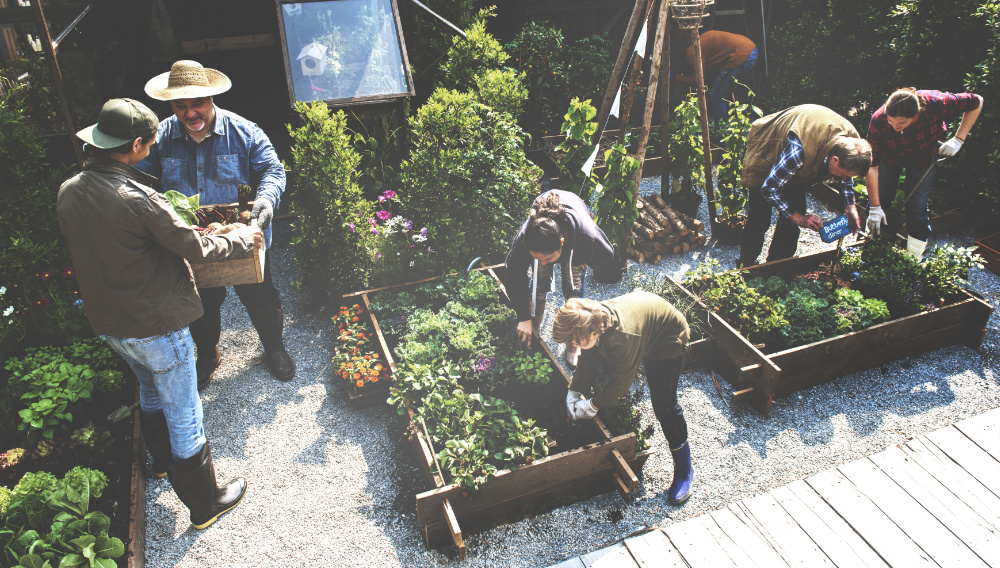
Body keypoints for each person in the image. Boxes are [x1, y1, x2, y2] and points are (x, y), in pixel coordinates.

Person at [57, 98, 260, 529]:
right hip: (157, 326)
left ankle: (163, 464)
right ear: (134, 145)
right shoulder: (138, 198)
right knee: (185, 412)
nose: (152, 147)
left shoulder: (70, 190)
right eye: (149, 142)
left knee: (149, 392)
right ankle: (206, 504)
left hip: (113, 325)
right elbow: (196, 246)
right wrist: (244, 239)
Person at [137, 60, 294, 386]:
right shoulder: (160, 138)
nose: (190, 113)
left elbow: (273, 171)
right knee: (200, 305)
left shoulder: (243, 131)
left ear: (211, 99)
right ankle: (208, 353)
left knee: (261, 296)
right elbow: (140, 181)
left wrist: (265, 202)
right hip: (191, 241)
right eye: (181, 106)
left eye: (197, 104)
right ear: (171, 105)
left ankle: (274, 347)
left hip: (242, 236)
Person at [552, 292, 693, 505]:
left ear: (594, 333)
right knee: (601, 358)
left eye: (575, 341)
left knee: (665, 406)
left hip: (667, 337)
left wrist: (593, 404)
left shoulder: (624, 338)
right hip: (644, 327)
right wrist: (574, 390)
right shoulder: (591, 322)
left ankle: (685, 471)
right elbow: (588, 358)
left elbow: (622, 383)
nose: (574, 345)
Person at [739, 104, 872, 267]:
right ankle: (745, 266)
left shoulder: (852, 143)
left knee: (792, 221)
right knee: (760, 220)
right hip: (768, 152)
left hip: (796, 163)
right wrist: (799, 218)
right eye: (843, 175)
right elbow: (770, 188)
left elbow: (846, 177)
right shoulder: (799, 152)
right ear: (835, 160)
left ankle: (776, 267)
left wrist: (850, 208)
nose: (843, 179)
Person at [864, 88, 984, 258]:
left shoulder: (937, 103)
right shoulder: (878, 120)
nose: (895, 127)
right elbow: (872, 166)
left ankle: (913, 257)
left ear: (916, 115)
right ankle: (870, 244)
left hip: (923, 155)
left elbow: (977, 101)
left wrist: (959, 139)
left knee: (917, 204)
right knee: (880, 197)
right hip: (889, 156)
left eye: (902, 123)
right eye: (891, 121)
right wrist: (875, 208)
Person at [504, 190, 614, 368]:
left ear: (562, 242)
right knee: (539, 285)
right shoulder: (527, 237)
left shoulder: (585, 236)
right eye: (538, 258)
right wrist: (523, 316)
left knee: (573, 290)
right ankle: (533, 325)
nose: (544, 263)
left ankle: (574, 338)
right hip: (549, 230)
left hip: (575, 241)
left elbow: (607, 253)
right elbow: (514, 272)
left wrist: (583, 257)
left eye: (548, 258)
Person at [670, 29, 757, 121]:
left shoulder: (693, 51)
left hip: (742, 55)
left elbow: (697, 80)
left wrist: (675, 76)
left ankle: (719, 131)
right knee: (723, 94)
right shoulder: (702, 40)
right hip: (750, 48)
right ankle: (726, 125)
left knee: (716, 96)